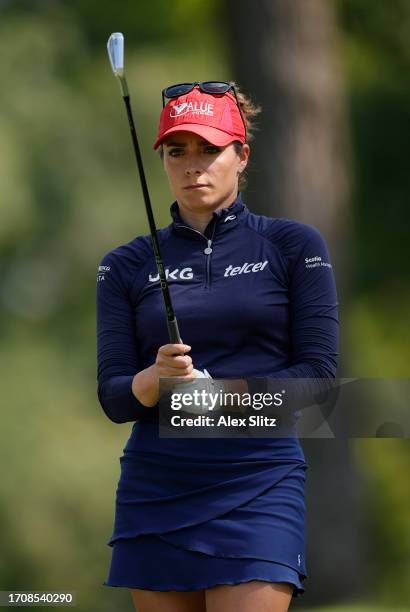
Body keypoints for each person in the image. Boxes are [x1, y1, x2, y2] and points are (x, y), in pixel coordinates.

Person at [96, 81, 339, 612]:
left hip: (258, 480)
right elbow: (114, 397)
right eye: (177, 152)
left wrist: (221, 397)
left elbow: (320, 378)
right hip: (158, 486)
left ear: (241, 155)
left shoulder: (294, 246)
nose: (193, 166)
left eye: (209, 149)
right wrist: (151, 380)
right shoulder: (126, 264)